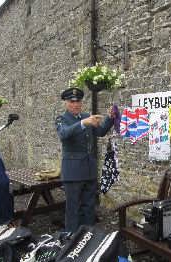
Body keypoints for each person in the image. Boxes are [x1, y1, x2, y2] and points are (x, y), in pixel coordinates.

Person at [55, 87, 114, 232]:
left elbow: (100, 132)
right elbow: (64, 134)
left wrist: (110, 118)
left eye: (78, 101)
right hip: (73, 172)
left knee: (89, 206)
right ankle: (71, 238)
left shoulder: (86, 116)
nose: (75, 104)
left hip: (89, 170)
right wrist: (83, 123)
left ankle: (88, 235)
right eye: (72, 101)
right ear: (66, 103)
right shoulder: (62, 119)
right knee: (73, 208)